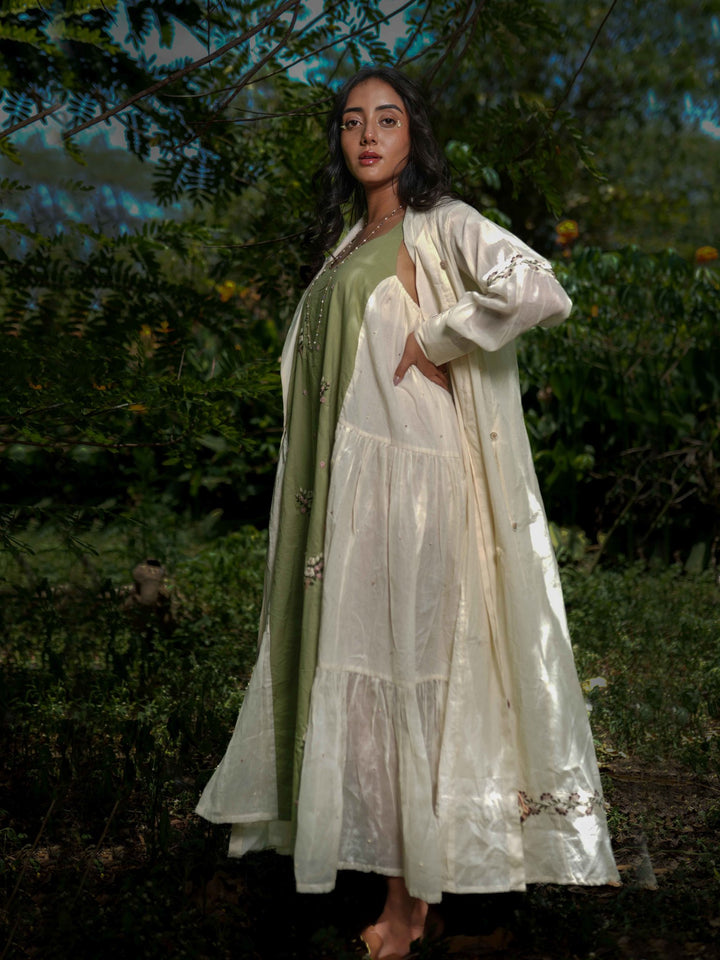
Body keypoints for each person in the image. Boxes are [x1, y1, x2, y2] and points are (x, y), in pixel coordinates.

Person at [196, 65, 619, 959]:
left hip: (416, 492)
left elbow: (539, 288)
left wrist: (439, 336)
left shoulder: (442, 222)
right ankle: (406, 885)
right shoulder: (350, 240)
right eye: (352, 121)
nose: (368, 134)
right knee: (362, 673)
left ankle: (411, 905)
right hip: (349, 495)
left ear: (414, 135)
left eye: (387, 119)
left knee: (407, 675)